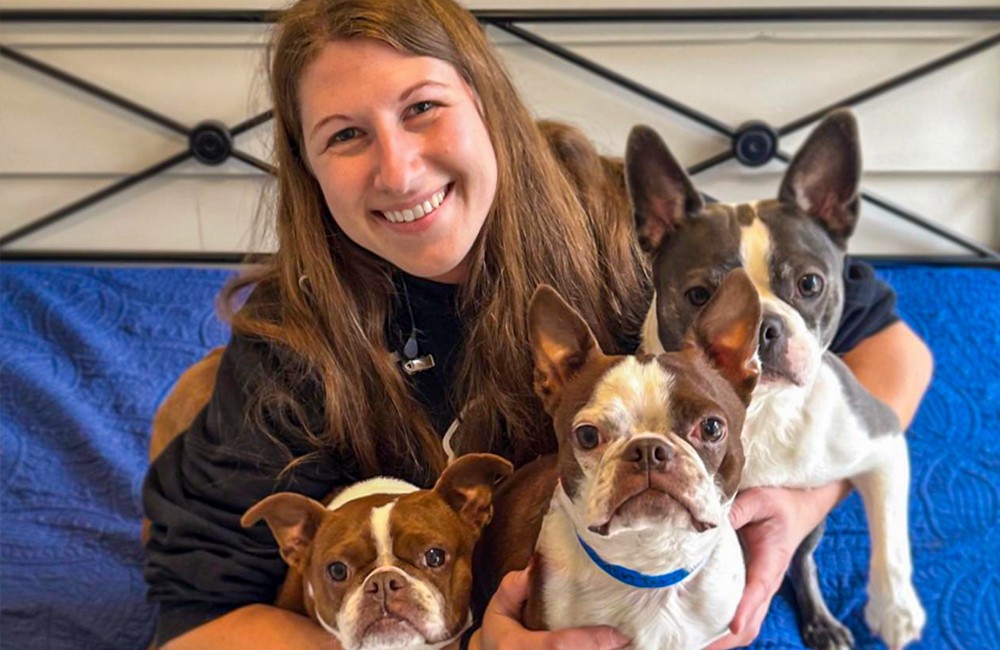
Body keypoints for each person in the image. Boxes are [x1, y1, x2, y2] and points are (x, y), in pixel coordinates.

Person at [141, 0, 934, 648]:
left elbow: (890, 349)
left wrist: (808, 499)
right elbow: (198, 621)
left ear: (488, 105)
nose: (398, 169)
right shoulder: (293, 344)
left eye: (423, 108)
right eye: (345, 136)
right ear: (307, 169)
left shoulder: (642, 222)